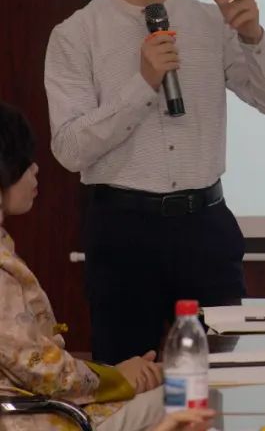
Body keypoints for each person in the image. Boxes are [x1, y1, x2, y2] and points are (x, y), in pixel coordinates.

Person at [44, 0, 265, 364]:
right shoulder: (76, 35)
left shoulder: (211, 22)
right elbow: (70, 149)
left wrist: (253, 36)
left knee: (219, 377)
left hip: (205, 227)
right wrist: (143, 84)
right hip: (123, 231)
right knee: (129, 381)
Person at [0, 100, 165, 430]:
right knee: (185, 397)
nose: (35, 169)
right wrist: (119, 378)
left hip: (36, 405)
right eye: (24, 162)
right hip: (32, 417)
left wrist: (119, 374)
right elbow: (40, 369)